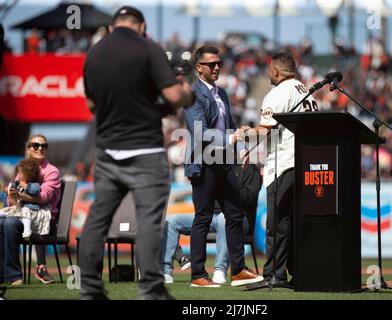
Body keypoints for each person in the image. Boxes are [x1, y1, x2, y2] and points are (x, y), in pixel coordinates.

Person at [79, 6, 194, 300]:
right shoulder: (148, 48)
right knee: (148, 222)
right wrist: (186, 93)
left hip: (106, 152)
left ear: (115, 24)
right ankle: (151, 289)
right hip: (145, 150)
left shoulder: (94, 54)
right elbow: (171, 96)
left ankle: (90, 290)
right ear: (141, 26)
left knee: (97, 221)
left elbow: (92, 106)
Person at [183, 45, 263, 287]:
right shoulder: (193, 94)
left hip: (224, 162)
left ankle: (237, 271)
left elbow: (228, 125)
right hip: (204, 163)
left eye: (219, 63)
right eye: (211, 64)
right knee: (203, 217)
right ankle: (198, 275)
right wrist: (231, 140)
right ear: (199, 68)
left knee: (235, 214)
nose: (217, 67)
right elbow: (198, 132)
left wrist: (240, 150)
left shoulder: (222, 93)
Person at [241, 52, 319, 285]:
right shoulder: (306, 91)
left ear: (275, 70)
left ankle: (274, 274)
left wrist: (244, 134)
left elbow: (265, 131)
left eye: (269, 70)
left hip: (284, 164)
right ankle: (300, 272)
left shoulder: (277, 93)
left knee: (278, 223)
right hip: (306, 164)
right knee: (296, 223)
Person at [160, 164, 262, 284]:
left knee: (224, 218)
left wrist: (229, 187)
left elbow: (250, 197)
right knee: (172, 221)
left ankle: (220, 270)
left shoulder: (250, 168)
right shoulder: (214, 166)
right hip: (210, 216)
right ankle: (165, 271)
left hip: (239, 218)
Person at [0, 134, 61, 286]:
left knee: (9, 224)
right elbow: (12, 202)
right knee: (2, 222)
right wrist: (12, 195)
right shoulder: (22, 170)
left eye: (44, 146)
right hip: (23, 214)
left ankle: (14, 276)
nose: (40, 148)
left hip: (44, 218)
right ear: (28, 149)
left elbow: (43, 198)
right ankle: (3, 274)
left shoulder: (51, 171)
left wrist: (21, 194)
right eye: (36, 145)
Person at [1, 158, 52, 240]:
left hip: (31, 210)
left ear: (27, 175)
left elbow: (35, 191)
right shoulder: (18, 184)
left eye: (20, 173)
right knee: (8, 210)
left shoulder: (34, 184)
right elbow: (16, 193)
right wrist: (9, 190)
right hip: (21, 209)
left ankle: (27, 230)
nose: (18, 175)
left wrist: (25, 185)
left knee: (25, 210)